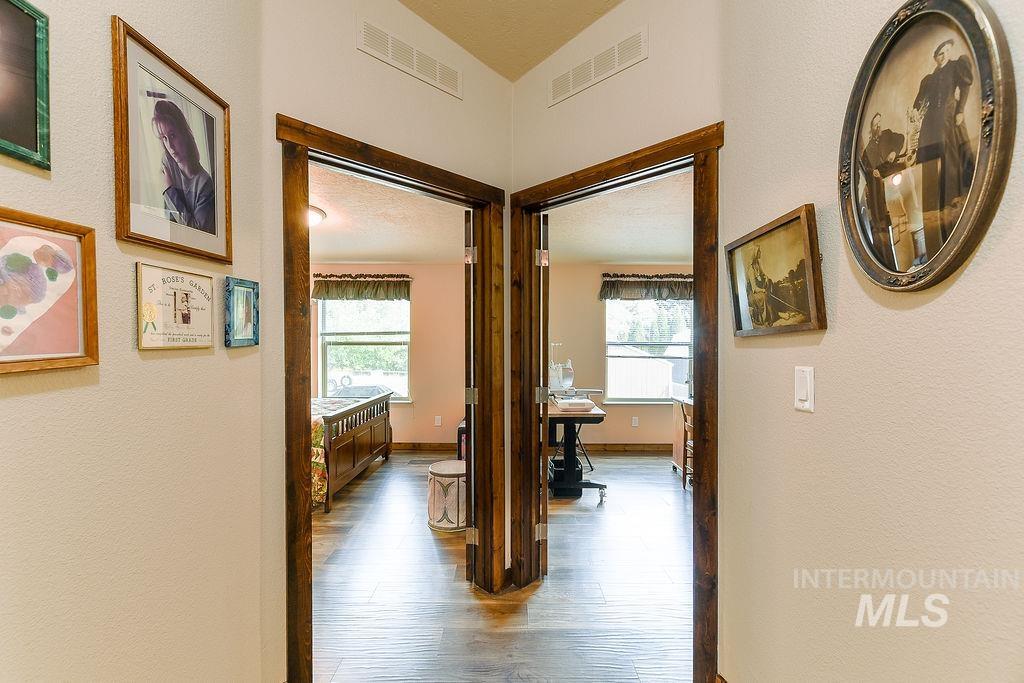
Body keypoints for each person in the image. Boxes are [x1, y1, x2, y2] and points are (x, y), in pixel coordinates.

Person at [912, 38, 975, 241]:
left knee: (952, 156)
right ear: (935, 57)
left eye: (946, 52)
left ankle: (954, 200)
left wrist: (960, 110)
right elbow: (919, 100)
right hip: (931, 121)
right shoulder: (929, 79)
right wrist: (914, 111)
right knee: (931, 161)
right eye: (940, 53)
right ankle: (936, 205)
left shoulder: (956, 67)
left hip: (948, 115)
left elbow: (965, 87)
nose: (944, 56)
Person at [151, 99, 216, 234]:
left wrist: (169, 191)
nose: (170, 146)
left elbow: (198, 233)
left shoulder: (204, 183)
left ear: (184, 134)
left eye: (173, 135)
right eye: (164, 138)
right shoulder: (167, 163)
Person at [859, 113, 906, 270]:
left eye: (879, 123)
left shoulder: (888, 134)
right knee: (883, 223)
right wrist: (872, 173)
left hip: (894, 179)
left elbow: (901, 139)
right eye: (875, 124)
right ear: (871, 128)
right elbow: (866, 169)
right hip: (879, 190)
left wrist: (894, 151)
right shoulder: (868, 149)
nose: (878, 126)